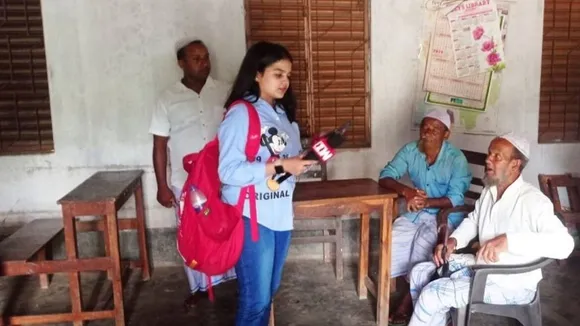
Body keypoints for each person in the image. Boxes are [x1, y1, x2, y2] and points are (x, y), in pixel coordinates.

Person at [407, 133, 575, 326]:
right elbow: (473, 219)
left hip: (510, 282)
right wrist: (454, 242)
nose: (488, 159)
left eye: (497, 156)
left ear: (515, 164)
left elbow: (566, 245)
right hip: (482, 267)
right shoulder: (490, 191)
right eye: (489, 153)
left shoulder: (533, 200)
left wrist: (508, 241)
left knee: (432, 294)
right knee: (419, 272)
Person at [218, 41, 317, 326]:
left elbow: (284, 163)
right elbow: (228, 171)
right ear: (257, 74)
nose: (285, 81)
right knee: (255, 301)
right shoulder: (241, 113)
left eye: (288, 75)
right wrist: (282, 165)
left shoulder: (284, 116)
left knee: (267, 296)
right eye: (278, 73)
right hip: (252, 216)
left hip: (280, 216)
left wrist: (300, 161)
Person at [149, 39, 236, 310]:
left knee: (227, 226)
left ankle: (232, 278)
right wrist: (162, 186)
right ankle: (198, 287)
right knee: (192, 233)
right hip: (185, 184)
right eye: (196, 58)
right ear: (181, 63)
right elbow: (160, 145)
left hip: (223, 178)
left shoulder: (225, 91)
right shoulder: (167, 98)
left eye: (206, 57)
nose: (204, 63)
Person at [378, 110, 472, 324]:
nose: (427, 133)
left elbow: (456, 199)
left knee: (424, 247)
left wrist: (426, 202)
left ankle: (408, 302)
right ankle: (403, 290)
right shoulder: (411, 150)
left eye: (435, 129)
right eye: (425, 127)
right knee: (393, 236)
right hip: (416, 212)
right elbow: (386, 176)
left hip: (444, 216)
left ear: (446, 134)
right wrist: (407, 192)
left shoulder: (456, 159)